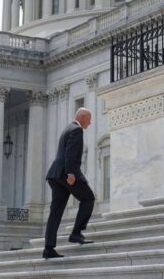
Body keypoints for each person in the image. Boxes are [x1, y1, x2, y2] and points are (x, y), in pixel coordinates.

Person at [43, 108, 95, 259]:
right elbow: (70, 153)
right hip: (66, 174)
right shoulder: (77, 130)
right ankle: (76, 233)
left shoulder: (67, 128)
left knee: (55, 212)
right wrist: (71, 173)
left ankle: (48, 248)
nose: (90, 123)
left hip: (55, 175)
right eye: (89, 119)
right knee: (88, 198)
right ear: (83, 117)